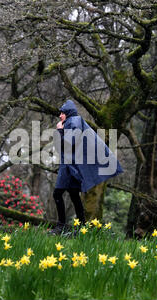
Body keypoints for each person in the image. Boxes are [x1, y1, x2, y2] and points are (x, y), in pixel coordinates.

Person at [50, 100, 124, 235]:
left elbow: (69, 144)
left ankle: (61, 227)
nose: (60, 116)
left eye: (62, 113)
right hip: (71, 165)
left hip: (69, 166)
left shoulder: (73, 122)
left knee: (57, 194)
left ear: (67, 113)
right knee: (73, 194)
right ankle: (82, 227)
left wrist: (60, 131)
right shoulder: (74, 122)